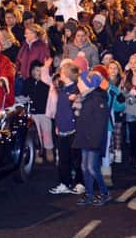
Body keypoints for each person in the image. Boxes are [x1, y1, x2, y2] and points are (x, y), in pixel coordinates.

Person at [45, 60, 84, 195]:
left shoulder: (76, 90)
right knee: (63, 159)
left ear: (67, 75)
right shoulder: (61, 90)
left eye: (61, 72)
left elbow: (78, 110)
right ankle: (64, 183)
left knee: (76, 158)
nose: (59, 74)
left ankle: (80, 182)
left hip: (73, 130)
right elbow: (59, 110)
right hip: (61, 129)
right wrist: (57, 125)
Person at [72, 69, 111, 206]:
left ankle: (104, 192)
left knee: (92, 167)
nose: (78, 84)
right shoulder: (85, 97)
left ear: (88, 83)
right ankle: (89, 194)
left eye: (80, 81)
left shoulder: (97, 98)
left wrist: (94, 140)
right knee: (85, 167)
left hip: (93, 140)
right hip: (85, 138)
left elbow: (100, 124)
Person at [22, 59, 53, 164]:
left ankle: (49, 150)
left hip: (44, 112)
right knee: (36, 134)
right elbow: (24, 94)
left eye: (39, 70)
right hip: (32, 112)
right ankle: (37, 153)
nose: (37, 73)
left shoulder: (46, 83)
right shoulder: (28, 82)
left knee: (47, 132)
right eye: (35, 70)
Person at [122, 53, 136, 171]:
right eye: (131, 63)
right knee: (132, 134)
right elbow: (122, 92)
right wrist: (128, 94)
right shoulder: (127, 76)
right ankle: (133, 156)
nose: (133, 65)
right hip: (130, 108)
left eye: (135, 63)